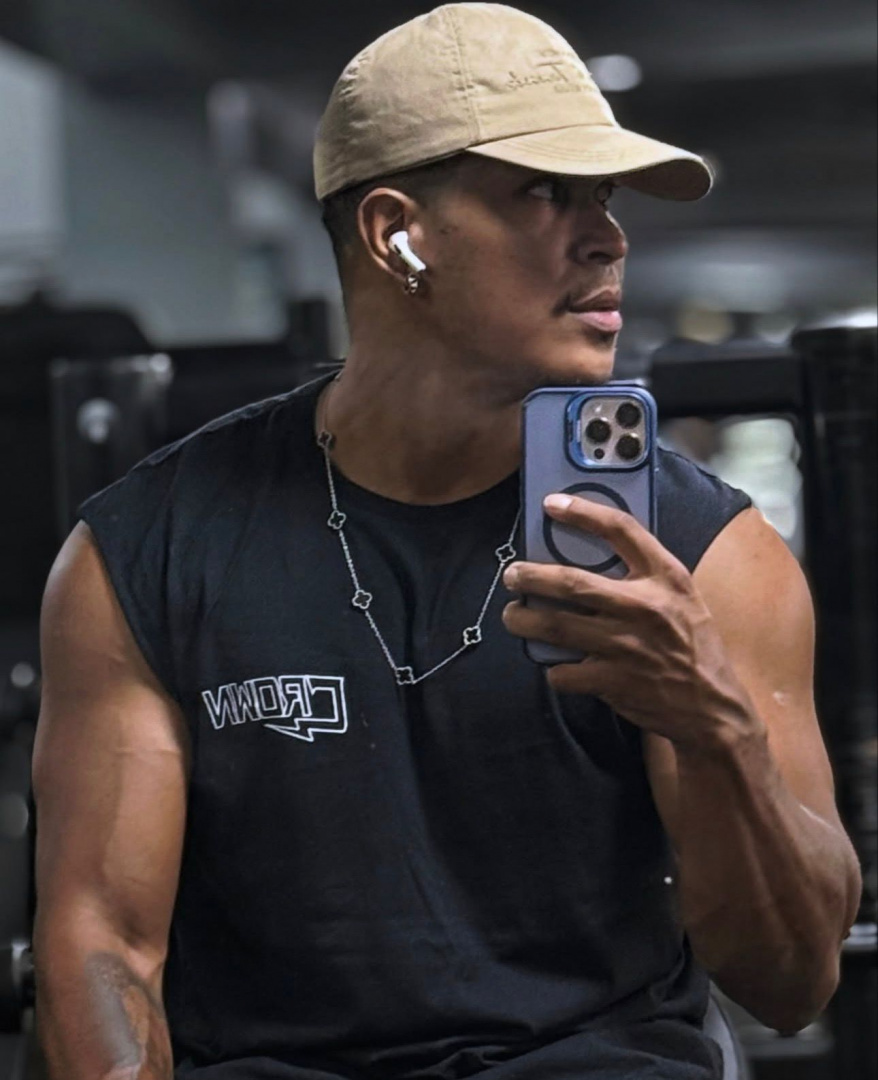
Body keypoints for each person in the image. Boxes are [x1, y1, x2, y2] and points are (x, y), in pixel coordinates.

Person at [31, 4, 861, 1078]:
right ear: (398, 235)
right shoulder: (144, 553)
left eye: (604, 201)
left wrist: (712, 727)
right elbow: (105, 948)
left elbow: (790, 984)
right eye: (545, 194)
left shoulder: (709, 558)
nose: (608, 239)